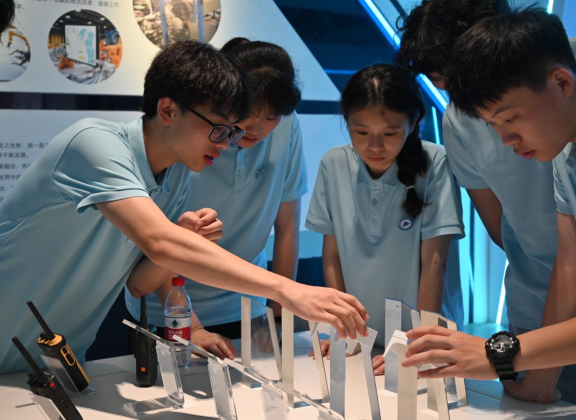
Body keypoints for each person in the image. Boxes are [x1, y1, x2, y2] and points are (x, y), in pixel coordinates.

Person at [0, 40, 367, 374]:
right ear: (168, 110)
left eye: (232, 131)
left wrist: (186, 240)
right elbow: (160, 243)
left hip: (60, 355)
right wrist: (286, 289)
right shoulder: (93, 144)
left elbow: (140, 283)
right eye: (219, 128)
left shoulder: (175, 178)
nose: (225, 144)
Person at [396, 0, 576, 409]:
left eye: (508, 118)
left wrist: (501, 353)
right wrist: (530, 373)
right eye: (493, 124)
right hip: (543, 300)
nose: (504, 140)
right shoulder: (565, 151)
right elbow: (573, 263)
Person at [125, 38, 307, 359]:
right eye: (248, 114)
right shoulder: (188, 134)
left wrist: (278, 314)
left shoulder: (287, 126)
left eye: (272, 116)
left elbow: (288, 225)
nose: (257, 128)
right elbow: (158, 245)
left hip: (247, 300)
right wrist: (192, 327)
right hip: (170, 302)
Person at [306, 63, 464, 369]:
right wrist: (343, 331)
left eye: (389, 133)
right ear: (346, 121)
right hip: (362, 336)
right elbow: (332, 257)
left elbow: (435, 263)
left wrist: (419, 343)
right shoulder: (333, 164)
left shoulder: (435, 163)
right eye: (361, 132)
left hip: (423, 335)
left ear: (413, 122)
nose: (374, 145)